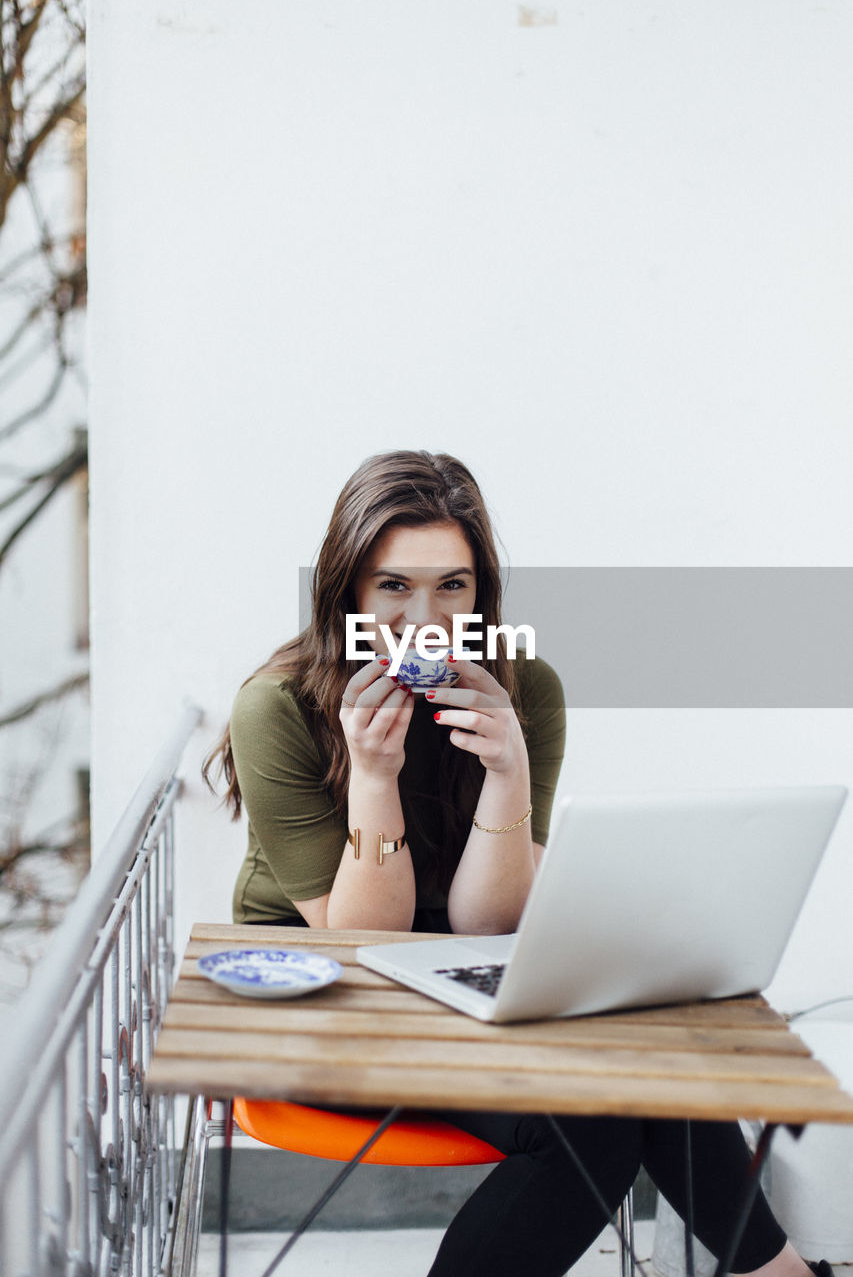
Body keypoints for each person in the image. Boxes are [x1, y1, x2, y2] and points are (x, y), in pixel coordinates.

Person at [205, 451, 826, 1277]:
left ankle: (773, 1272)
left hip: (458, 979)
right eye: (393, 586)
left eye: (451, 586)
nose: (425, 618)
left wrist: (508, 776)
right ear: (346, 589)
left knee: (636, 1058)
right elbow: (363, 936)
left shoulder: (523, 688)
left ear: (482, 590)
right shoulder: (278, 706)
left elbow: (491, 924)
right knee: (597, 1119)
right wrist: (375, 778)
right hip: (320, 999)